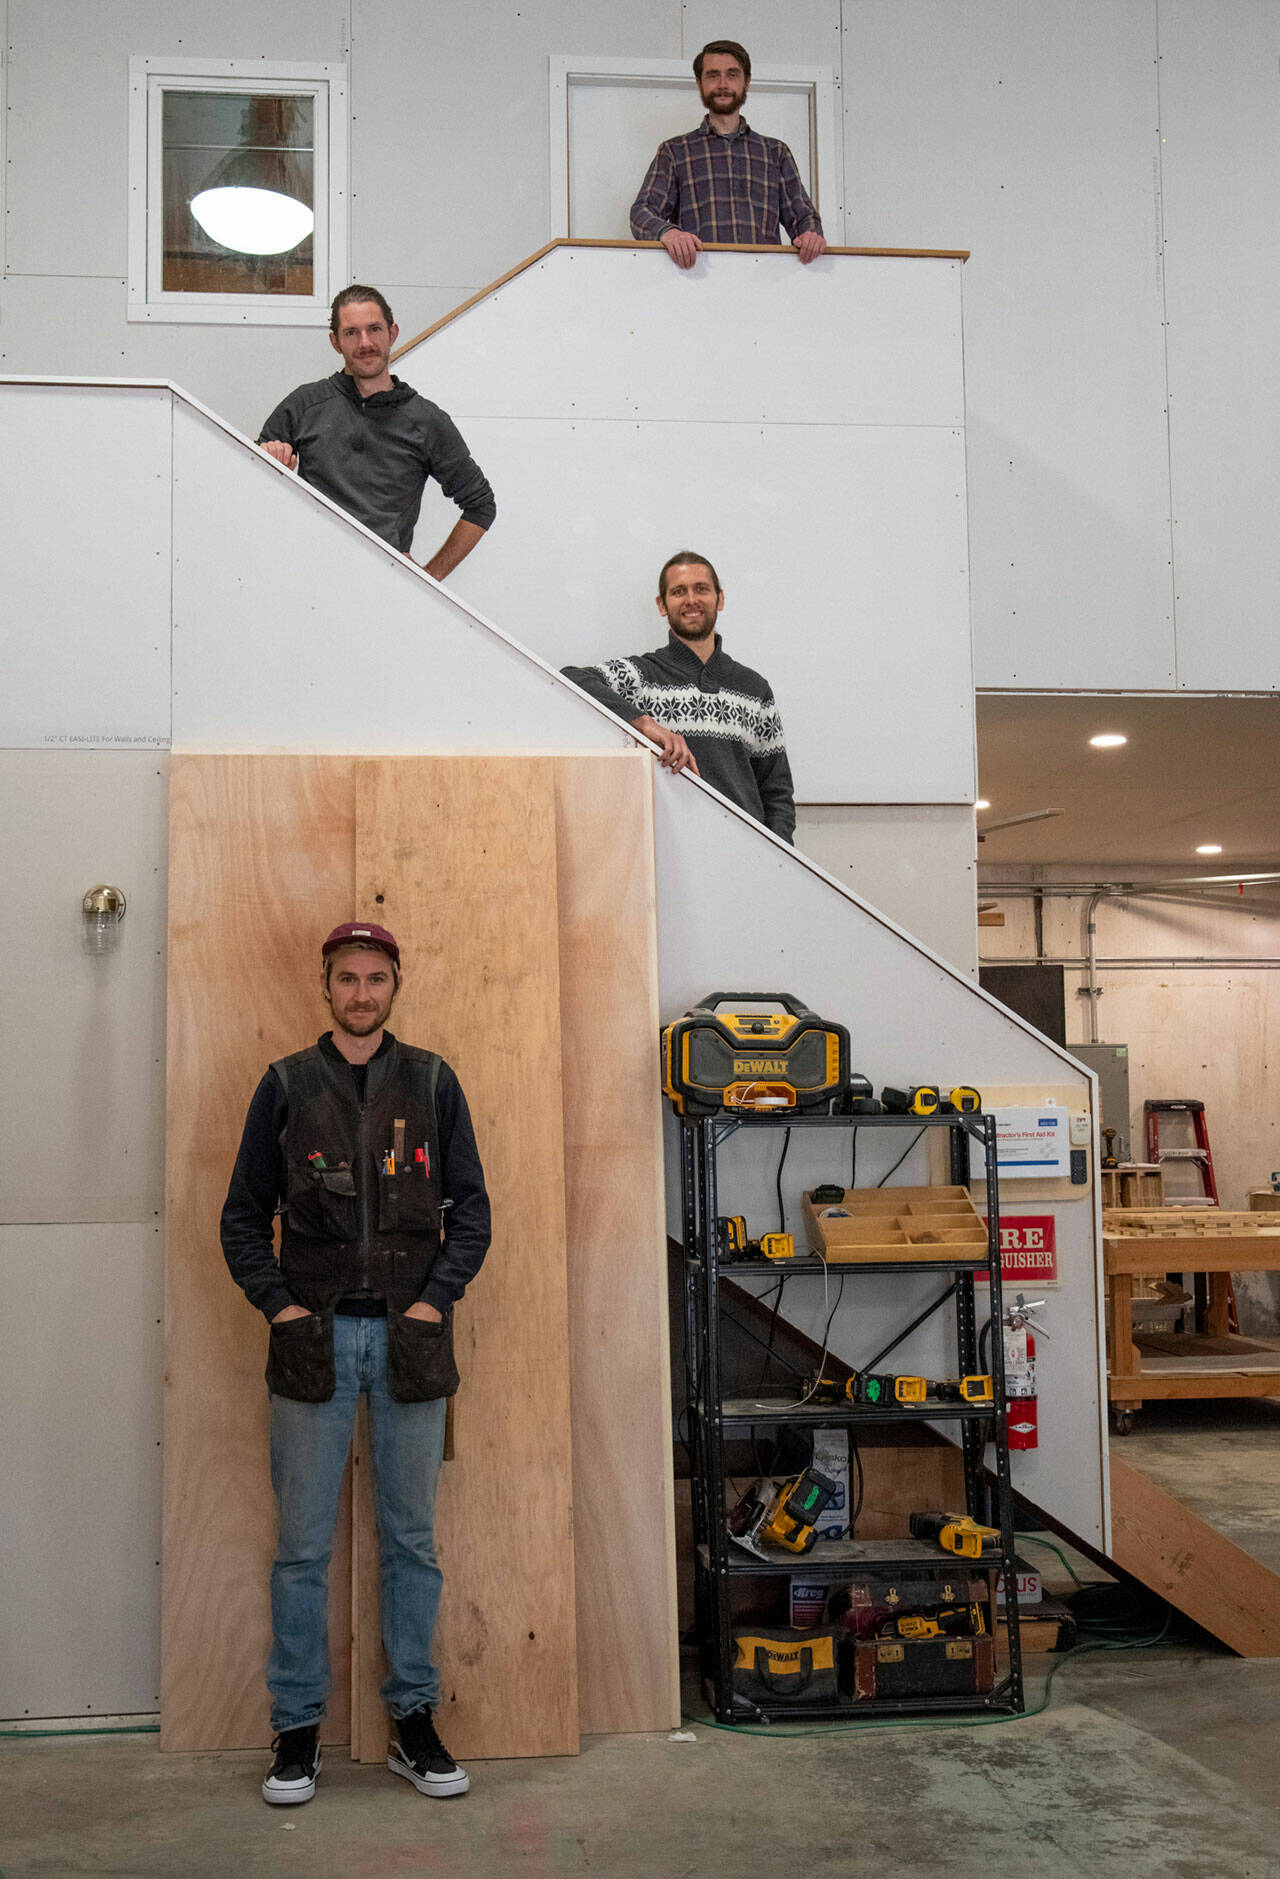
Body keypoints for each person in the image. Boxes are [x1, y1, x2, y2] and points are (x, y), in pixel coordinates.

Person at [220, 920, 491, 1807]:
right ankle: (296, 1732)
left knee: (412, 1542)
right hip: (315, 1341)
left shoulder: (435, 1081)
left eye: (376, 977)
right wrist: (283, 1307)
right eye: (348, 978)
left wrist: (431, 1300)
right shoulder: (287, 1085)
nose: (362, 992)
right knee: (301, 1549)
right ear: (326, 985)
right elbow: (240, 1217)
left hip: (411, 1341)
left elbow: (473, 1215)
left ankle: (414, 1721)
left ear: (396, 984)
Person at [258, 286, 496, 580]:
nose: (365, 342)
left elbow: (481, 505)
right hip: (304, 578)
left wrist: (429, 580)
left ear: (392, 333)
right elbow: (251, 484)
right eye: (351, 333)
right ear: (335, 342)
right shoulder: (304, 405)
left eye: (374, 329)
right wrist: (266, 460)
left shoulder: (426, 420)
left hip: (385, 587)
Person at [562, 551, 795, 842]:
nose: (691, 600)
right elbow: (570, 678)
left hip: (745, 852)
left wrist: (778, 860)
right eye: (678, 591)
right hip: (670, 853)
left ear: (719, 599)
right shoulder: (642, 676)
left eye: (701, 589)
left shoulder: (754, 688)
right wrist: (644, 723)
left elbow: (777, 792)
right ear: (662, 605)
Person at [630, 41, 827, 271]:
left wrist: (811, 237)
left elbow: (804, 219)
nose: (722, 84)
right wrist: (669, 233)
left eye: (732, 75)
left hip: (765, 286)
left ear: (747, 82)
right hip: (697, 285)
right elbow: (640, 213)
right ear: (699, 83)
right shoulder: (675, 151)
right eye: (713, 75)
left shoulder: (775, 153)